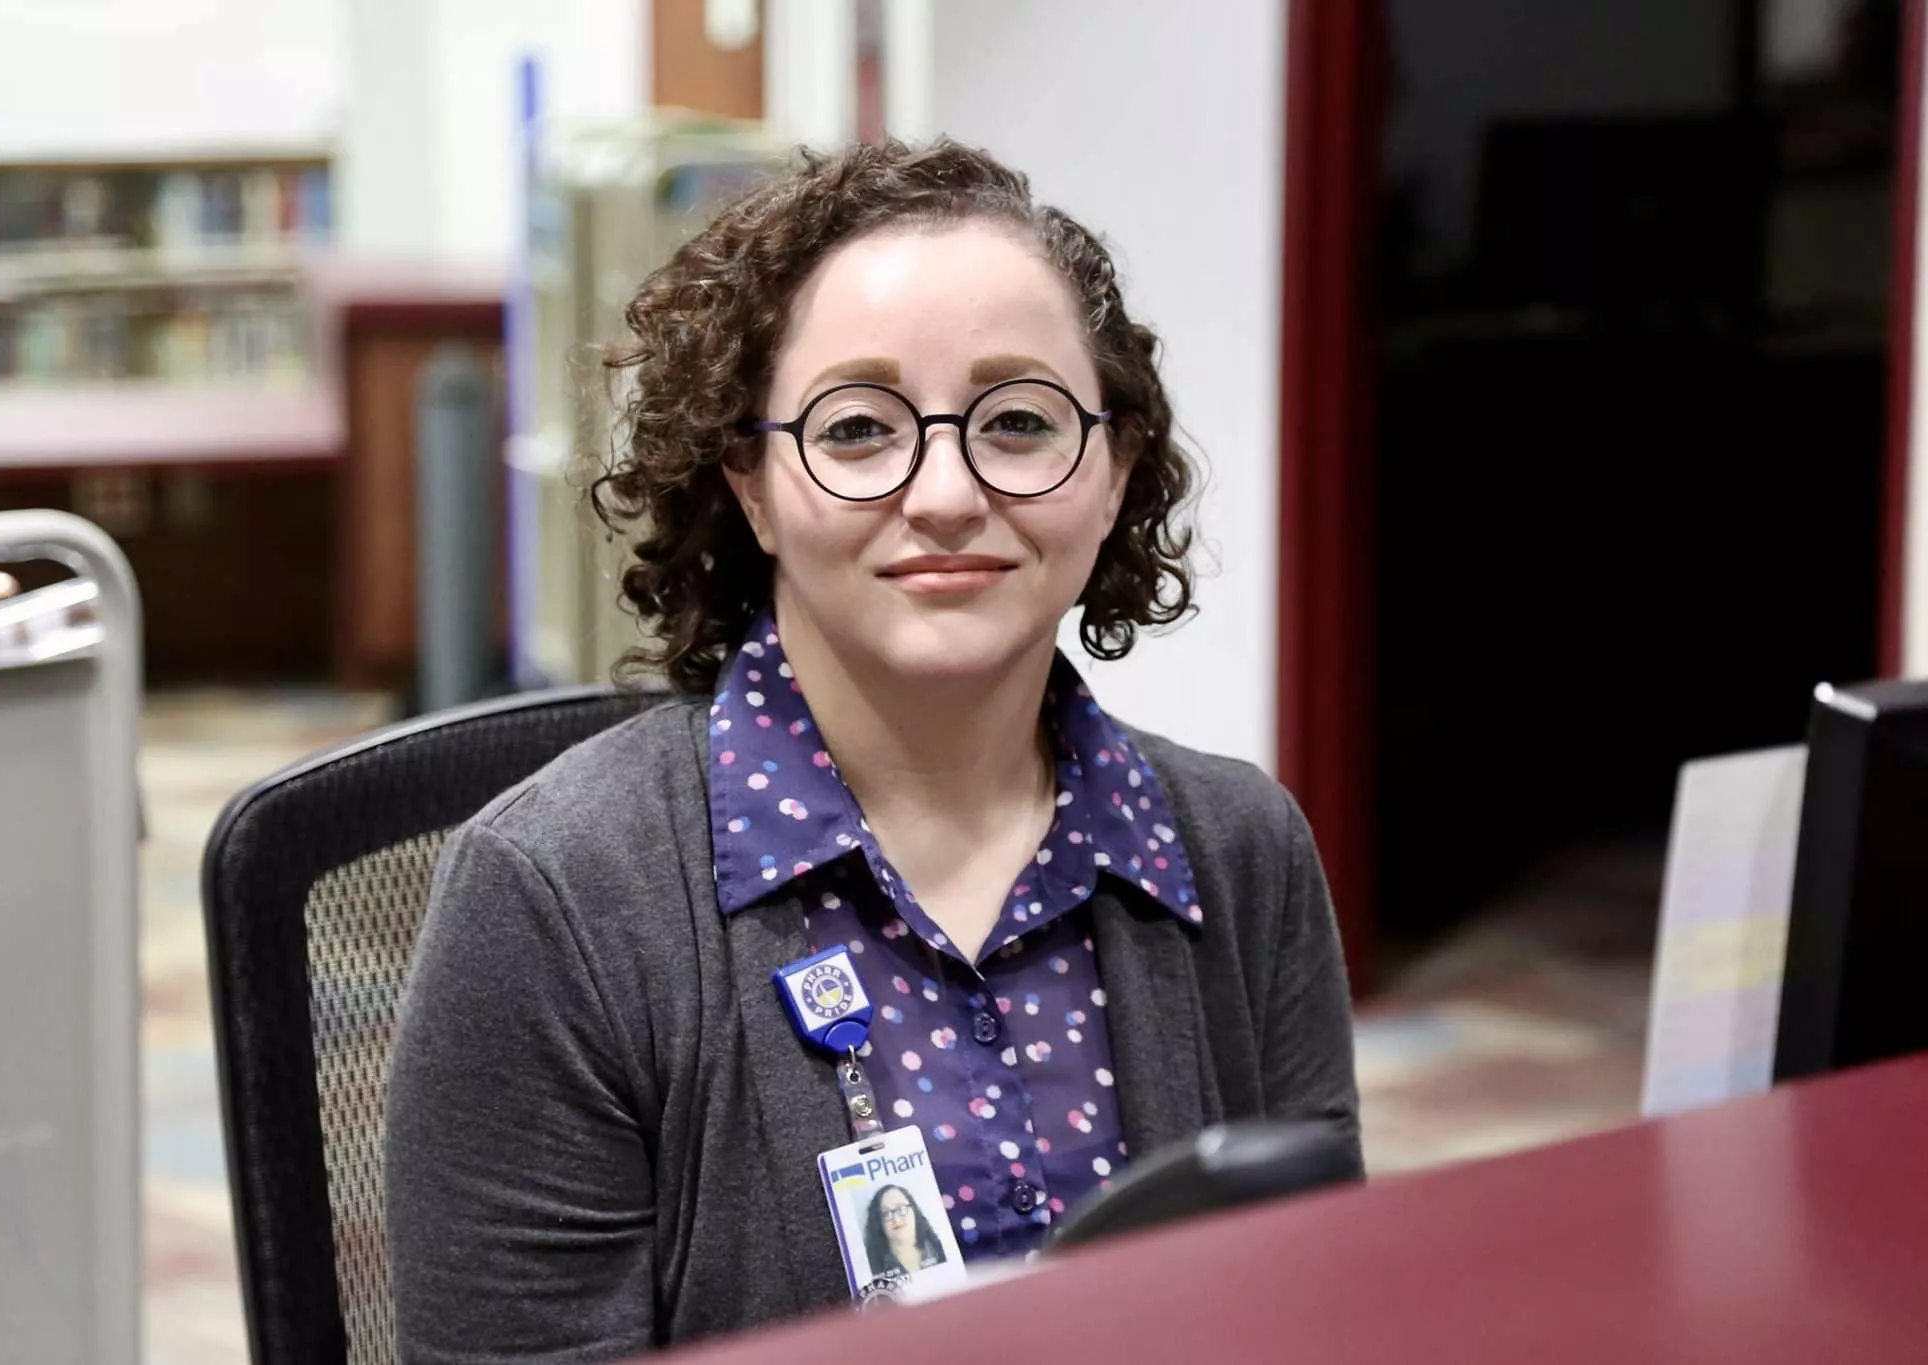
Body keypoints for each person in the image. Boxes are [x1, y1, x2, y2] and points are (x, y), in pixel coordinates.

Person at [384, 137, 1360, 1363]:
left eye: (1017, 421)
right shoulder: (556, 899)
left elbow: (1311, 1312)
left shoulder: (1237, 851)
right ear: (749, 483)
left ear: (1112, 474)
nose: (946, 494)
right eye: (855, 428)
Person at [863, 1184, 949, 1281]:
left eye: (900, 1208)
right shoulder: (869, 1267)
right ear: (878, 1222)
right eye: (886, 1213)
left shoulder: (942, 1249)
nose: (896, 1219)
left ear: (914, 1211)